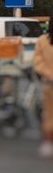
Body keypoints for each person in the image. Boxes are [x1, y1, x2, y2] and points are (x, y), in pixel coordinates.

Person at [34, 15, 53, 159]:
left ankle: (47, 143)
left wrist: (49, 74)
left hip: (49, 82)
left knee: (48, 115)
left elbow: (38, 63)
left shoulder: (43, 40)